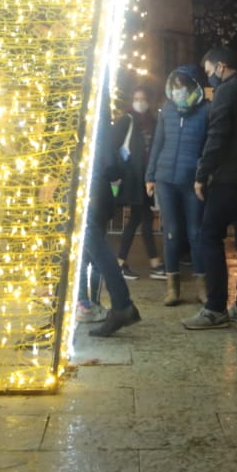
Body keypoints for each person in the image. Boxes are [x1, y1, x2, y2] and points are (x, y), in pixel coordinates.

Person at [185, 46, 237, 330]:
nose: (210, 79)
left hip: (228, 177)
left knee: (209, 236)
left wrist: (202, 173)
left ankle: (215, 307)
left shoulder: (226, 93)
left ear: (221, 66)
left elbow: (217, 135)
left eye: (210, 72)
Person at [146, 68, 209, 308]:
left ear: (193, 87)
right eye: (174, 86)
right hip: (166, 179)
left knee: (196, 233)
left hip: (192, 181)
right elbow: (157, 143)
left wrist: (202, 175)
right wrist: (150, 175)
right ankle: (172, 288)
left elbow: (207, 147)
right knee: (171, 232)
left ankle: (202, 287)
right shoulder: (168, 110)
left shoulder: (205, 111)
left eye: (182, 86)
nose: (177, 91)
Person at [79, 102, 140, 337]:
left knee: (90, 241)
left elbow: (105, 151)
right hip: (97, 185)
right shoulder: (99, 109)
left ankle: (119, 304)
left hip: (92, 184)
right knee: (89, 245)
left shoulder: (92, 106)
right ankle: (105, 303)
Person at [113, 84, 160, 279]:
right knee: (139, 219)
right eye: (137, 98)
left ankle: (151, 262)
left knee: (141, 219)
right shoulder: (127, 120)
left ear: (148, 101)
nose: (140, 102)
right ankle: (148, 263)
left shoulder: (153, 122)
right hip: (133, 178)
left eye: (143, 99)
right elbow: (114, 145)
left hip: (146, 179)